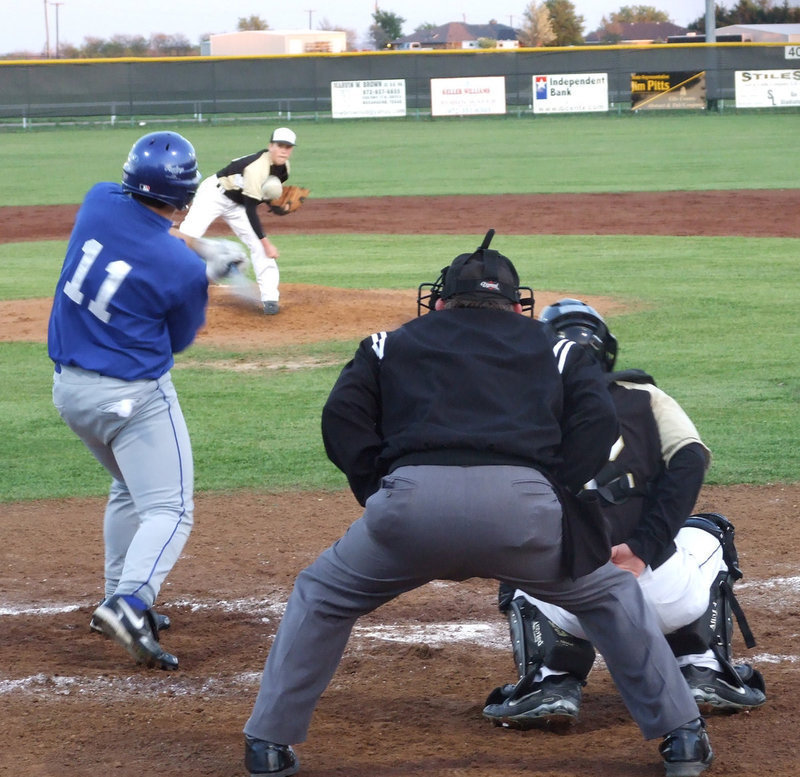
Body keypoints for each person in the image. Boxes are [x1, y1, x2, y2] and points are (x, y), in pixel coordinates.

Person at [241, 233, 713, 777]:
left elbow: (341, 420)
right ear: (517, 306)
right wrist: (551, 490)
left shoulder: (386, 342)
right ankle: (682, 738)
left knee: (322, 595)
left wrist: (381, 488)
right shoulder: (560, 348)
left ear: (440, 301)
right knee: (610, 597)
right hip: (525, 511)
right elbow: (597, 422)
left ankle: (268, 745)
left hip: (408, 507)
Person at [482, 299, 766, 730]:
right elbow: (690, 460)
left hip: (569, 599)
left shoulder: (516, 407)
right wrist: (642, 547)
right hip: (664, 593)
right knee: (711, 531)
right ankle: (701, 665)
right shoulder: (645, 396)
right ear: (605, 349)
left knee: (518, 549)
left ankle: (551, 678)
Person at [47, 131, 244, 670]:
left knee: (130, 487)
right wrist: (206, 270)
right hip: (133, 400)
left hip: (71, 393)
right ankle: (130, 603)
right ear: (183, 197)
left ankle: (114, 593)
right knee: (171, 508)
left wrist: (198, 251)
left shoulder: (97, 201)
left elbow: (145, 233)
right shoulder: (180, 273)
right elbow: (178, 339)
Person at [178, 126, 297, 316]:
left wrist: (273, 206)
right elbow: (251, 208)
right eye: (280, 145)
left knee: (258, 245)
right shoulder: (257, 167)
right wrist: (267, 243)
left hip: (237, 203)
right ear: (270, 146)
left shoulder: (284, 170)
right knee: (187, 238)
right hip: (214, 194)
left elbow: (261, 195)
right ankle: (167, 285)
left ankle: (270, 298)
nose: (284, 150)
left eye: (288, 147)